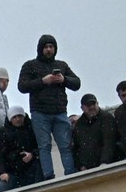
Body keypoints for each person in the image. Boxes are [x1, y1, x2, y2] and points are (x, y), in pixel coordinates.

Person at [18, 34, 80, 180]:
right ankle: (48, 177)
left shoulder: (62, 65)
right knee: (44, 146)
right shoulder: (30, 65)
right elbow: (22, 86)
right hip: (40, 113)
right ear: (40, 49)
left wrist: (64, 79)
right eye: (46, 47)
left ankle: (71, 175)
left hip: (60, 112)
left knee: (65, 146)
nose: (48, 50)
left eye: (51, 47)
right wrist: (42, 81)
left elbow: (77, 83)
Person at [72, 94, 120, 171]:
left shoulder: (107, 118)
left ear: (97, 103)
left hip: (110, 167)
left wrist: (105, 162)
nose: (91, 107)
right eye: (88, 105)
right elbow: (76, 148)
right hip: (88, 170)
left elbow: (109, 142)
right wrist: (81, 165)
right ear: (82, 108)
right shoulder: (79, 125)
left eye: (93, 104)